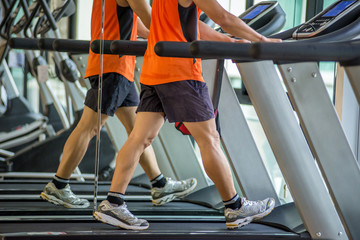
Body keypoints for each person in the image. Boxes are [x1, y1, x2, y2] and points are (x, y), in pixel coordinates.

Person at [94, 0, 282, 231]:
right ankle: (235, 206)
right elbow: (222, 17)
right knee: (209, 139)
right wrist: (261, 40)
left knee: (139, 138)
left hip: (155, 70)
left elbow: (192, 26)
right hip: (181, 73)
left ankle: (113, 202)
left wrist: (229, 41)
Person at [40, 0, 197, 209]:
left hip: (120, 67)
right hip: (113, 67)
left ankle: (159, 185)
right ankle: (58, 185)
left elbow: (137, 23)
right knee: (89, 126)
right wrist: (181, 35)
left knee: (137, 132)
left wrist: (158, 38)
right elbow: (149, 16)